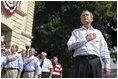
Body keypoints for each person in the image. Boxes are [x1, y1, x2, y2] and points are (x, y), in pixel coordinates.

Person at [67, 10, 110, 78]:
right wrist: (85, 40)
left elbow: (104, 50)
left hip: (95, 62)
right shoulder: (76, 32)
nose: (85, 16)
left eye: (87, 14)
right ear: (81, 19)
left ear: (91, 18)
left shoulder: (98, 32)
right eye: (83, 15)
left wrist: (107, 66)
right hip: (80, 62)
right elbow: (70, 46)